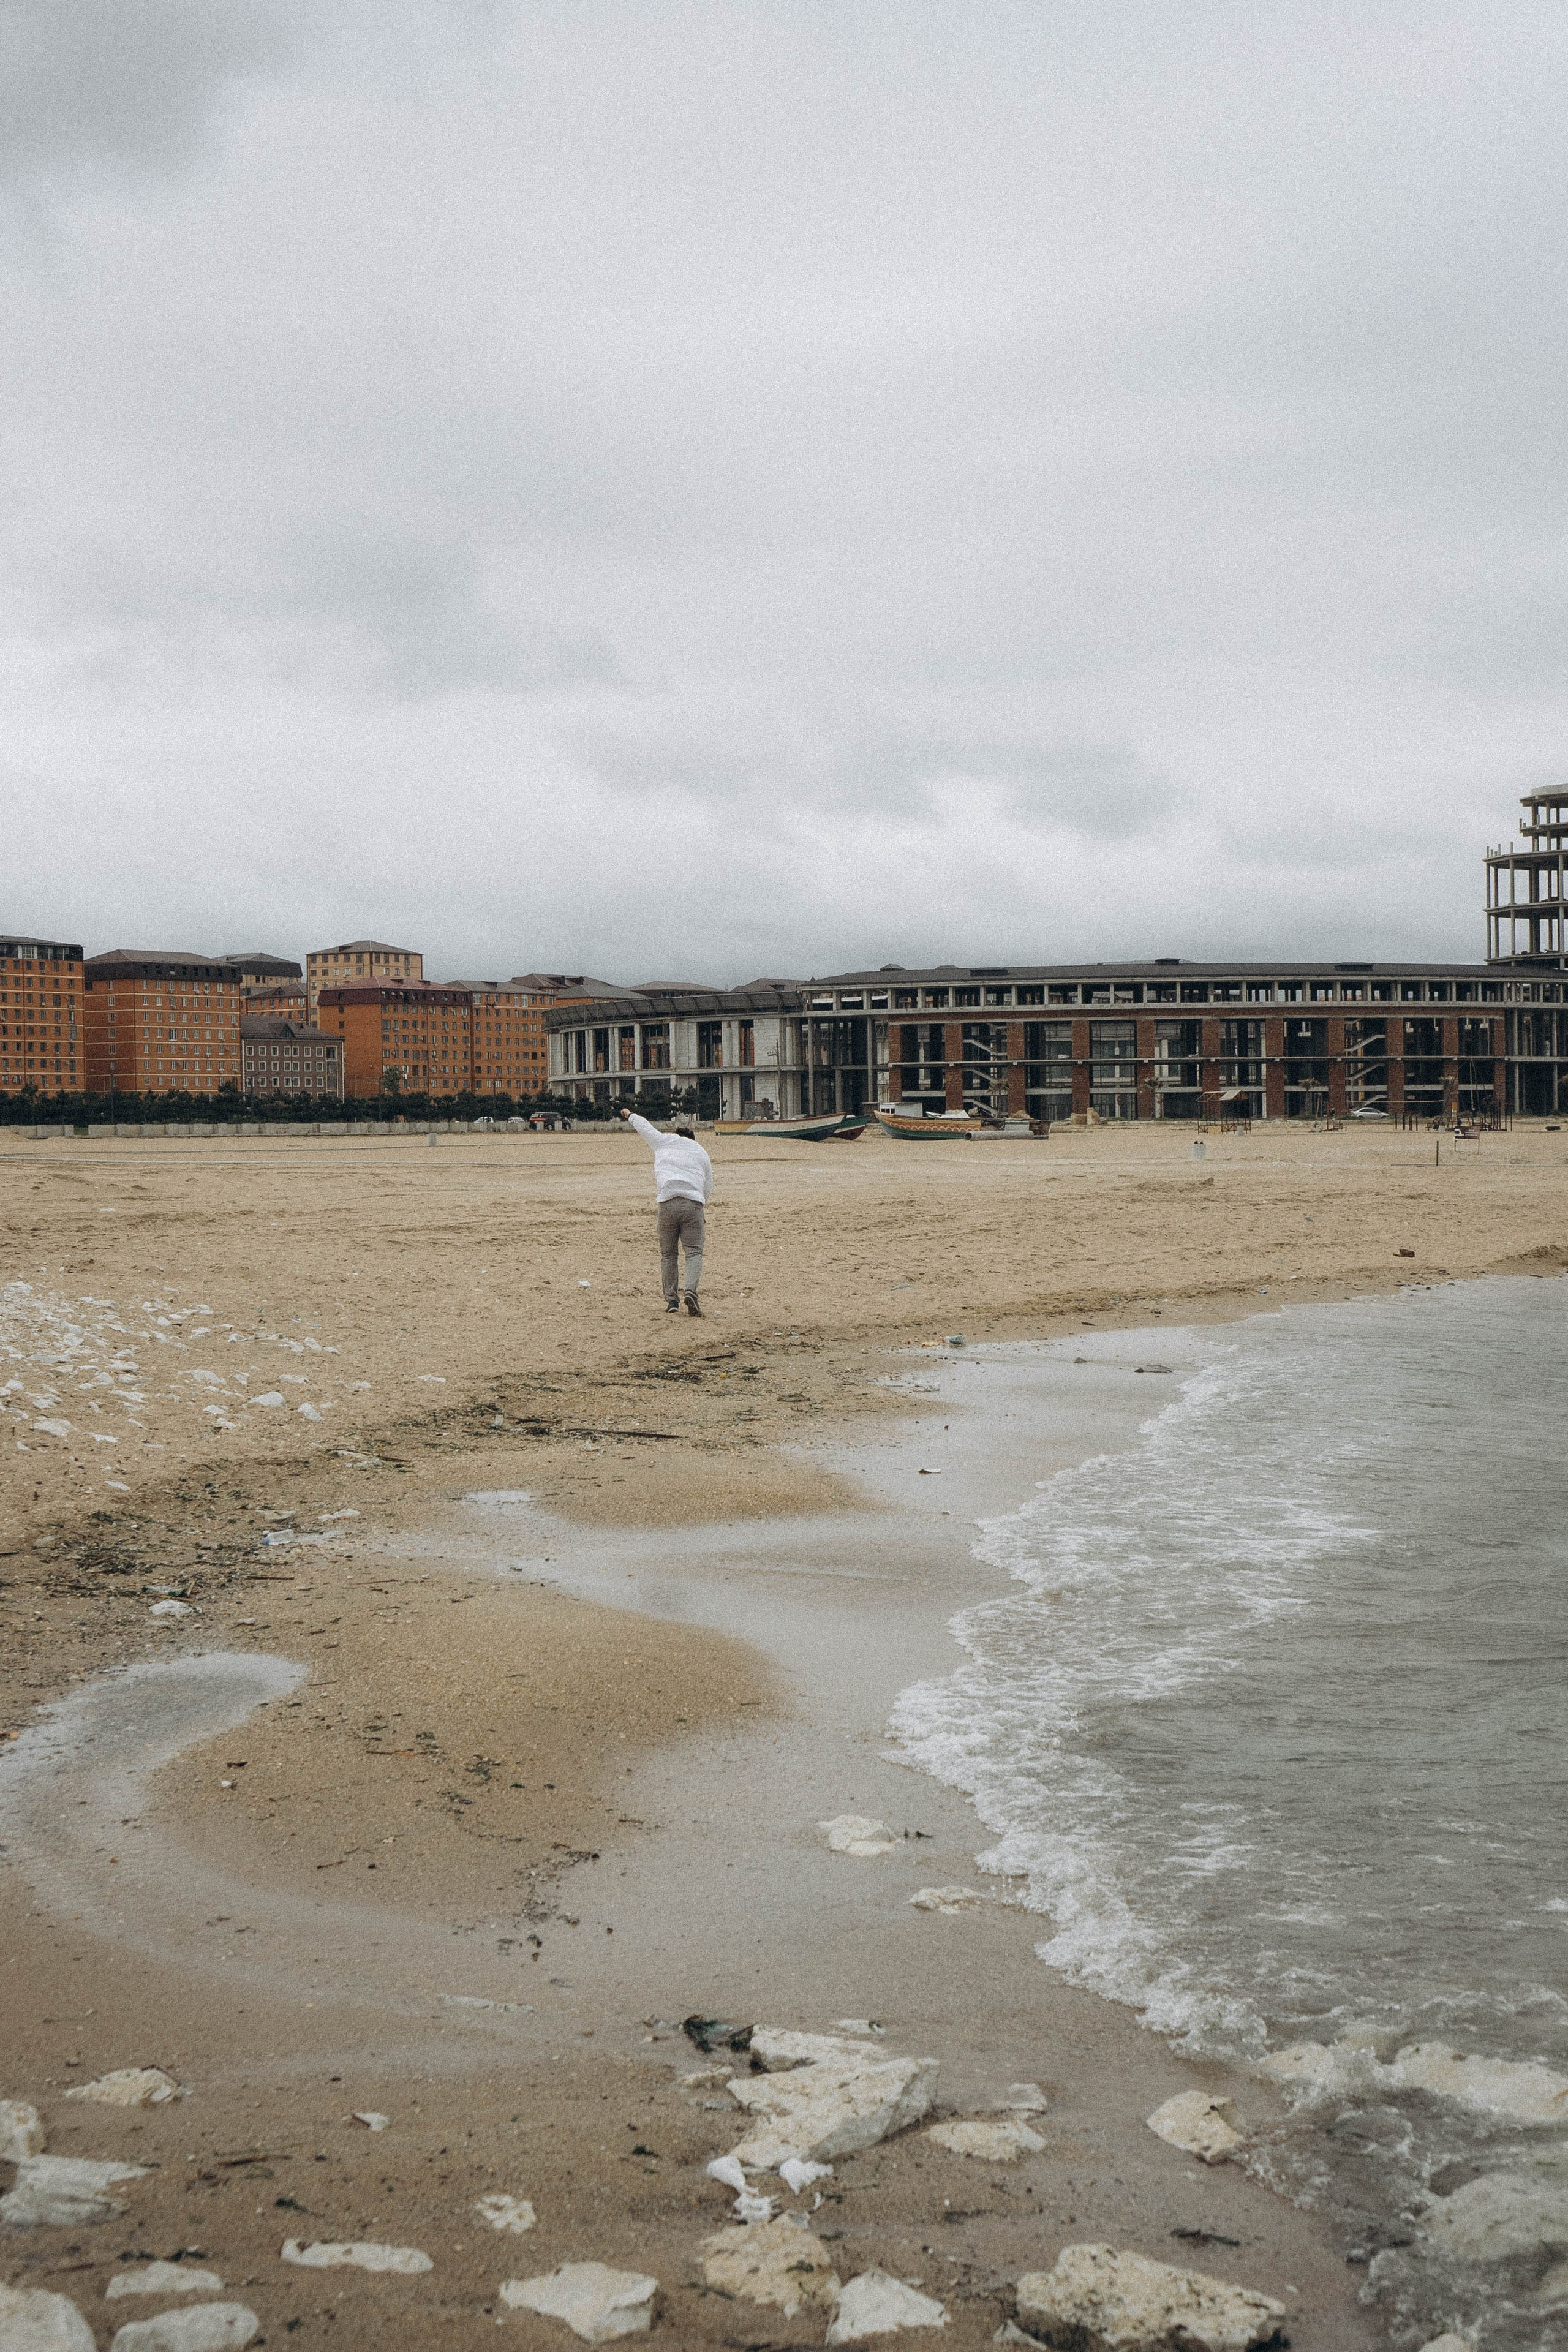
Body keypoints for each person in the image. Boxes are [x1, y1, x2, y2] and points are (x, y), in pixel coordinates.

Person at [618, 1105, 712, 1316]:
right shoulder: (701, 1151)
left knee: (669, 1255)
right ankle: (691, 1292)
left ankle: (672, 1301)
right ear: (693, 1139)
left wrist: (630, 1115)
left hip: (667, 1203)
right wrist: (700, 1206)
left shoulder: (663, 1141)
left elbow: (645, 1127)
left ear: (675, 1135)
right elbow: (708, 1187)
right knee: (694, 1252)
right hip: (693, 1203)